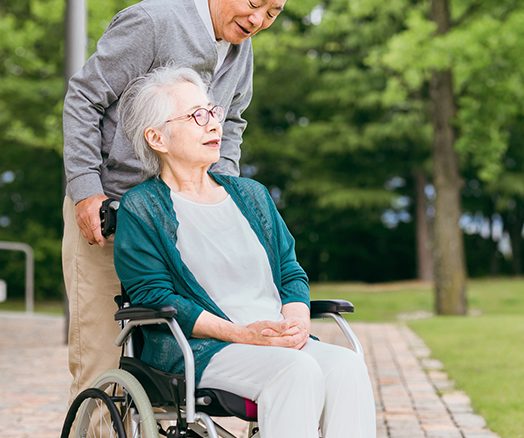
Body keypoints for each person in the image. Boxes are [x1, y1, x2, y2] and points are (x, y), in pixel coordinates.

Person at [61, 0, 308, 402]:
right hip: (112, 214)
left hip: (187, 224)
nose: (259, 20)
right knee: (101, 362)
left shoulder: (241, 48)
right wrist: (86, 187)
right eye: (255, 2)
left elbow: (231, 122)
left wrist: (224, 200)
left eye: (273, 12)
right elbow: (84, 99)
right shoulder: (153, 23)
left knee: (191, 363)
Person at [113, 66, 376, 438]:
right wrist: (242, 334)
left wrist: (296, 325)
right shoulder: (142, 208)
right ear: (158, 138)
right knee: (295, 371)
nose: (213, 125)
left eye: (212, 111)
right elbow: (155, 295)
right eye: (196, 116)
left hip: (273, 340)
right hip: (201, 349)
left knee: (346, 366)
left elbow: (290, 273)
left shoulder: (251, 196)